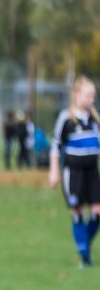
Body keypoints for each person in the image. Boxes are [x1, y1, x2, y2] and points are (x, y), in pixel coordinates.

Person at [47, 76, 100, 267]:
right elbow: (55, 146)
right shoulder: (66, 119)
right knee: (77, 212)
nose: (92, 99)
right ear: (76, 95)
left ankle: (83, 243)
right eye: (88, 95)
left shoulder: (95, 119)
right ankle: (85, 257)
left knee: (97, 212)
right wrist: (54, 171)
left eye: (93, 96)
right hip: (73, 173)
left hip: (93, 172)